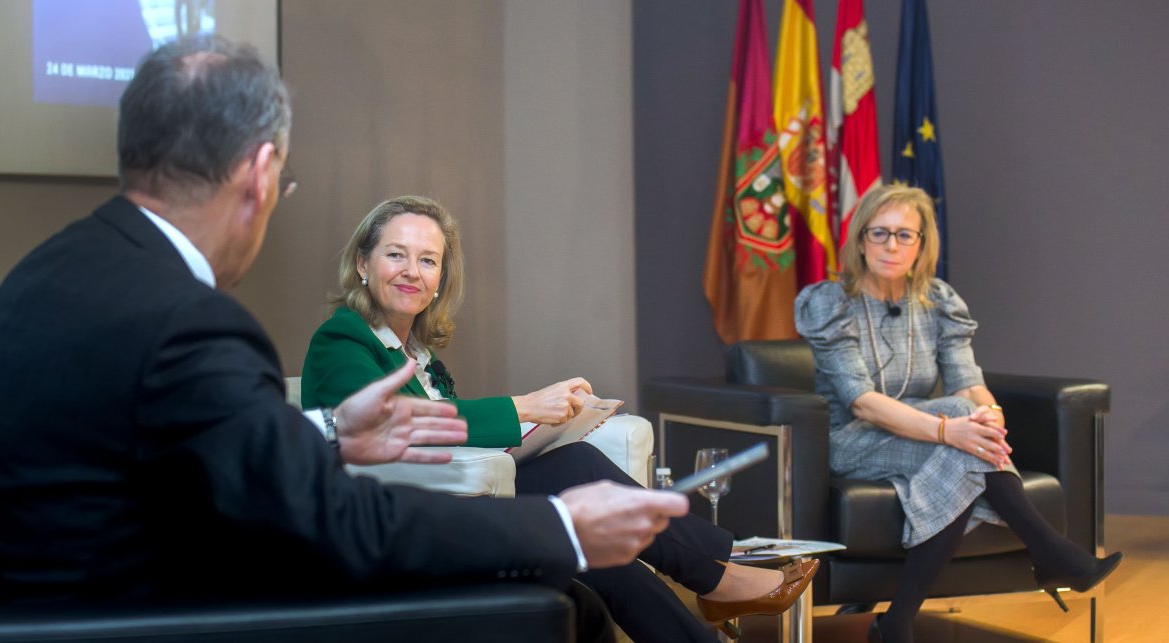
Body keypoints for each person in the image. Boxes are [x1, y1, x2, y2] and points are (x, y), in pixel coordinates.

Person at [0, 36, 685, 642]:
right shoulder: (191, 320)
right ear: (259, 172)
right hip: (153, 614)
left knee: (575, 599)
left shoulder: (48, 272)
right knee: (560, 595)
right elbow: (336, 521)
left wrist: (329, 431)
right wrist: (558, 525)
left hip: (32, 609)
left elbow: (171, 448)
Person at [301, 195, 819, 643]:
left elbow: (448, 431)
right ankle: (718, 572)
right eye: (396, 255)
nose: (413, 271)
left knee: (598, 533)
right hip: (390, 522)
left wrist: (543, 430)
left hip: (448, 500)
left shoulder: (418, 353)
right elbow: (395, 422)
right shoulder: (342, 338)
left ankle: (716, 577)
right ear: (363, 264)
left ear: (440, 279)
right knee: (575, 471)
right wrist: (524, 407)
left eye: (428, 260)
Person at [793, 184, 1122, 643]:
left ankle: (897, 623)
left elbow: (969, 381)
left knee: (968, 425)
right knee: (959, 427)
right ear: (860, 239)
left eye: (905, 235)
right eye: (879, 233)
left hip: (927, 435)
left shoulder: (938, 301)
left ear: (923, 244)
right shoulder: (830, 303)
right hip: (853, 438)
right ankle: (1049, 551)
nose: (891, 245)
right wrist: (951, 428)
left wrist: (989, 418)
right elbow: (861, 401)